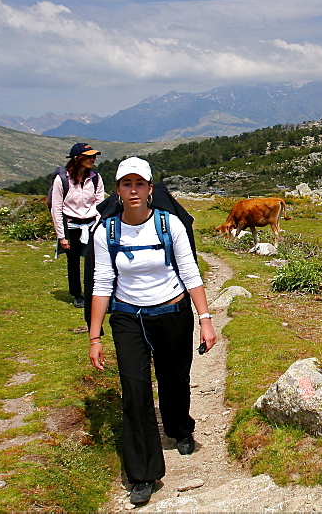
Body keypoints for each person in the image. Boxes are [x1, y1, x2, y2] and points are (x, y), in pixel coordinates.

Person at [88, 157, 217, 506]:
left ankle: (178, 428)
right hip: (128, 318)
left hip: (172, 310)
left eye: (139, 184)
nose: (133, 190)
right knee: (134, 389)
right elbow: (101, 282)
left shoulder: (169, 224)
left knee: (175, 377)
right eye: (126, 184)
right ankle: (143, 473)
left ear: (149, 189)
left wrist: (204, 318)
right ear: (117, 190)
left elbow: (189, 271)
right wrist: (95, 335)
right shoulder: (106, 231)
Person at [51, 142, 106, 308]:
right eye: (88, 157)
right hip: (72, 226)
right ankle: (77, 294)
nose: (93, 160)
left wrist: (98, 224)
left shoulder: (95, 178)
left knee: (95, 261)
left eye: (93, 156)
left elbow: (99, 202)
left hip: (91, 224)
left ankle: (94, 292)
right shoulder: (62, 180)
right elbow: (56, 208)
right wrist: (62, 236)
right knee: (73, 262)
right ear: (77, 158)